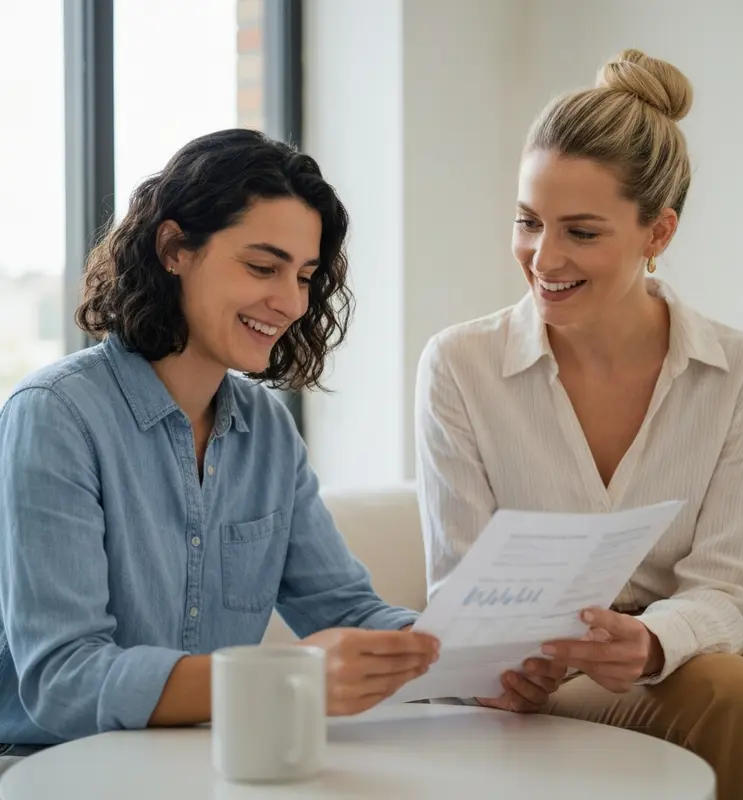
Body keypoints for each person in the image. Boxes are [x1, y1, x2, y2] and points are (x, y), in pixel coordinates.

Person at [415, 49, 743, 799]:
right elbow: (458, 585)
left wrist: (652, 641)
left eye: (582, 232)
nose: (544, 257)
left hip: (691, 660)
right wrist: (499, 668)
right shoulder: (459, 366)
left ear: (659, 233)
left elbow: (728, 590)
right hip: (530, 676)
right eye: (529, 222)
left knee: (736, 695)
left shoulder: (740, 372)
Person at [0, 129, 439, 761]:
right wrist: (282, 678)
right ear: (174, 249)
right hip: (50, 769)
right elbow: (64, 679)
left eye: (305, 276)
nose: (290, 302)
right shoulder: (56, 415)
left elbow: (345, 609)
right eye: (262, 267)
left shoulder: (268, 431)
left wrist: (480, 652)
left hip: (202, 762)